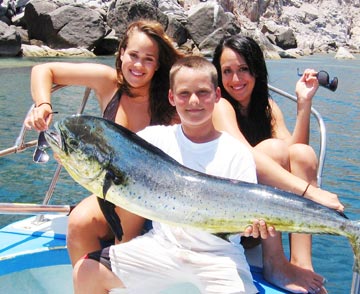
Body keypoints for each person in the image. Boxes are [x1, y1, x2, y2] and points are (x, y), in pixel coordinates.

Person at [72, 55, 275, 294]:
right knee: (85, 271)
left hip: (218, 256)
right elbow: (109, 168)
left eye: (202, 92)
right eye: (184, 94)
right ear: (171, 97)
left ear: (217, 96)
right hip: (162, 247)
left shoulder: (236, 153)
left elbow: (244, 216)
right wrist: (71, 156)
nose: (193, 101)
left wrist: (252, 227)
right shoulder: (152, 140)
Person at [24, 19, 185, 266]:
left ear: (157, 65)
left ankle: (122, 270)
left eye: (148, 59)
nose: (138, 65)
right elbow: (43, 70)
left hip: (158, 199)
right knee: (78, 223)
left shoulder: (170, 97)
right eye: (133, 55)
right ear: (121, 54)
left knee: (131, 204)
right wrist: (44, 104)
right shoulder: (108, 82)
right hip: (112, 195)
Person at [212, 34, 334, 294]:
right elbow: (245, 156)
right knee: (273, 149)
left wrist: (304, 103)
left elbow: (296, 154)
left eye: (243, 69)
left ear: (256, 70)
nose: (236, 79)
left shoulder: (266, 106)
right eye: (227, 71)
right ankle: (275, 262)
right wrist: (311, 193)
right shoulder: (219, 105)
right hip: (229, 217)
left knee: (303, 154)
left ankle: (302, 261)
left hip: (258, 219)